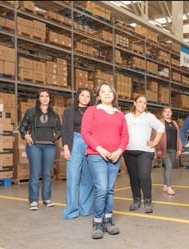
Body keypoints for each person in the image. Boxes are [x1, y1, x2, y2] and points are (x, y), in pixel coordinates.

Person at [81, 83, 129, 239]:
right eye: (103, 91)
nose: (107, 93)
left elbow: (125, 136)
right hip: (96, 154)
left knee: (109, 189)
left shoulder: (120, 115)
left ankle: (108, 221)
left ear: (114, 95)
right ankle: (97, 223)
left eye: (110, 91)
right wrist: (100, 149)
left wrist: (119, 150)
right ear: (98, 96)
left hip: (115, 155)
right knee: (101, 188)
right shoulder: (91, 111)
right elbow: (85, 132)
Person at [19, 88, 61, 211]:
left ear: (50, 98)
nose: (44, 98)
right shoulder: (30, 112)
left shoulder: (55, 114)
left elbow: (59, 129)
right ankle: (33, 200)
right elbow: (22, 127)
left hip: (50, 146)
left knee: (47, 173)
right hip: (34, 146)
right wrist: (25, 135)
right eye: (42, 96)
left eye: (46, 96)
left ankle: (47, 198)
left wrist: (56, 137)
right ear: (38, 98)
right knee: (35, 173)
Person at [123, 95, 164, 214]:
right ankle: (136, 200)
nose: (142, 105)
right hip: (129, 151)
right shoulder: (127, 117)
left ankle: (147, 201)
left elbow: (161, 127)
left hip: (145, 151)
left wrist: (155, 142)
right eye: (140, 102)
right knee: (133, 177)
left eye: (144, 103)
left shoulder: (149, 117)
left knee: (144, 176)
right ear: (134, 103)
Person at [61, 88, 94, 219]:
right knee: (73, 176)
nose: (85, 98)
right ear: (78, 97)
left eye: (88, 96)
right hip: (74, 142)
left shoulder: (93, 112)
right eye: (83, 95)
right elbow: (64, 130)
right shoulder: (69, 111)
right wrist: (66, 147)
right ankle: (72, 210)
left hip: (90, 143)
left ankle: (86, 208)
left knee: (88, 177)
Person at [156, 106, 183, 195]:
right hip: (164, 149)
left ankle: (164, 185)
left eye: (169, 112)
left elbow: (178, 136)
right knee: (169, 166)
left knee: (167, 167)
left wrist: (179, 148)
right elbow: (157, 136)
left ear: (171, 113)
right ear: (163, 113)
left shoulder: (175, 123)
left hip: (173, 148)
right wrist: (158, 149)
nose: (167, 113)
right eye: (165, 112)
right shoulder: (160, 122)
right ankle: (169, 187)